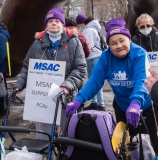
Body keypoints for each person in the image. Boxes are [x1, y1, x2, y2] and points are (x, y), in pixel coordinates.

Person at [66, 18, 158, 155]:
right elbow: (94, 82)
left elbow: (141, 81)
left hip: (143, 106)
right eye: (113, 43)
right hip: (122, 106)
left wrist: (135, 103)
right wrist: (79, 100)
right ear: (108, 45)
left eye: (122, 40)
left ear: (129, 40)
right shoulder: (106, 56)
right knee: (124, 147)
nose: (118, 45)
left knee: (151, 146)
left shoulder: (139, 54)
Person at [14, 7, 87, 158]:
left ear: (63, 24)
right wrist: (19, 84)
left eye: (57, 21)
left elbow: (80, 69)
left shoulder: (74, 42)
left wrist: (66, 86)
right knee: (43, 137)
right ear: (46, 26)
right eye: (50, 21)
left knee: (68, 135)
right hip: (42, 100)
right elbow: (28, 66)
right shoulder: (37, 43)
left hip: (66, 98)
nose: (54, 24)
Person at [75, 14, 105, 111]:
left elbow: (88, 46)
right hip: (94, 57)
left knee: (95, 81)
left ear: (81, 23)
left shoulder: (89, 30)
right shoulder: (92, 29)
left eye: (79, 25)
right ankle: (94, 102)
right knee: (94, 80)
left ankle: (100, 104)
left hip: (93, 57)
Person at [0, 22, 10, 117]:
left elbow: (3, 53)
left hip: (1, 68)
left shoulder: (1, 37)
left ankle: (4, 110)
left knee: (2, 91)